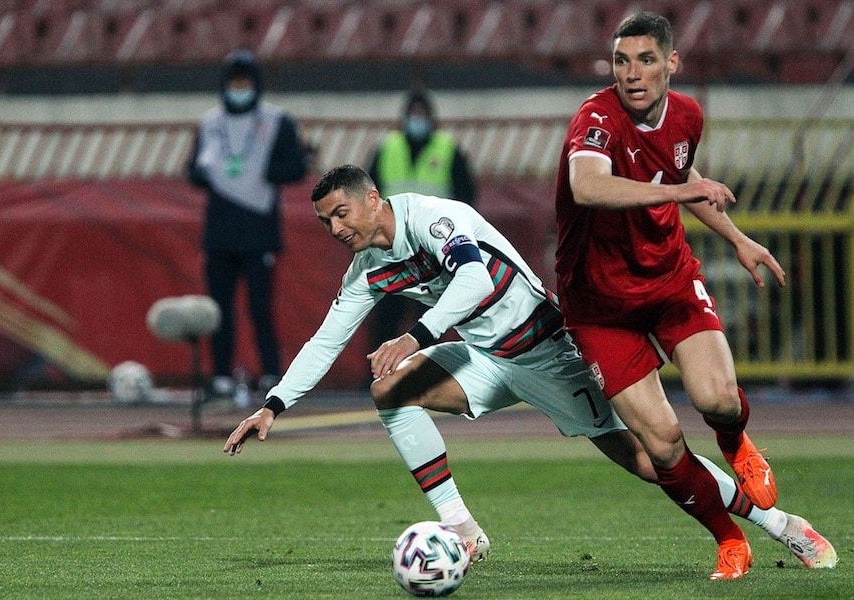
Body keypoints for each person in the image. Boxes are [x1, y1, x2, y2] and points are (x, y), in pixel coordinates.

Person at [224, 165, 835, 572]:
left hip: (548, 352)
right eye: (325, 222)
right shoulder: (366, 269)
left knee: (653, 461)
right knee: (391, 391)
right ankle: (463, 530)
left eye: (341, 214)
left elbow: (475, 278)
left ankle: (783, 524)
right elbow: (327, 339)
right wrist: (274, 405)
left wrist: (415, 335)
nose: (335, 229)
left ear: (373, 200)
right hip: (487, 359)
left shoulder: (434, 217)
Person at [554, 12, 836, 579]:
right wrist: (680, 192)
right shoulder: (596, 118)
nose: (632, 73)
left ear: (671, 63)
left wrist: (737, 238)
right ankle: (729, 538)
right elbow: (587, 185)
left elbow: (682, 175)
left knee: (719, 399)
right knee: (661, 445)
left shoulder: (688, 116)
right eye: (622, 61)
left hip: (668, 280)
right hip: (600, 306)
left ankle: (736, 442)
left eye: (646, 60)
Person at [187, 49, 310, 399]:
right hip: (221, 229)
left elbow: (296, 167)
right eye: (234, 82)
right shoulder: (210, 122)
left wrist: (269, 171)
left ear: (256, 84)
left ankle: (271, 373)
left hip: (258, 229)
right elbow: (192, 169)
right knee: (219, 309)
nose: (239, 89)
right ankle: (221, 376)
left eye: (245, 82)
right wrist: (203, 174)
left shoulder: (277, 120)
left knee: (260, 307)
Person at [364, 90, 477, 357]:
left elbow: (466, 195)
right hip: (393, 248)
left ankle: (426, 370)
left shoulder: (447, 149)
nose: (417, 120)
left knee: (430, 318)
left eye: (421, 114)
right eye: (413, 114)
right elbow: (368, 193)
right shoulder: (388, 147)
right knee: (386, 316)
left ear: (431, 118)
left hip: (433, 248)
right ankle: (380, 372)